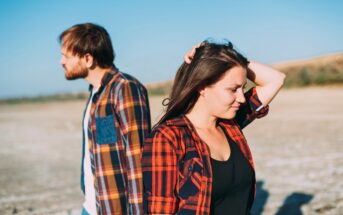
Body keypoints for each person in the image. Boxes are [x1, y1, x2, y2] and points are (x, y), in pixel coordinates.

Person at [142, 40, 285, 214]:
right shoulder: (168, 138)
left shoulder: (230, 125)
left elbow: (276, 79)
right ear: (202, 87)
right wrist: (211, 61)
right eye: (233, 89)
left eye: (243, 88)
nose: (241, 98)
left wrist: (228, 58)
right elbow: (160, 211)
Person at [59, 23, 151, 215]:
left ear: (88, 59)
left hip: (115, 209)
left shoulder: (124, 88)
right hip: (92, 207)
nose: (62, 62)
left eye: (66, 56)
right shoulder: (96, 93)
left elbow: (137, 158)